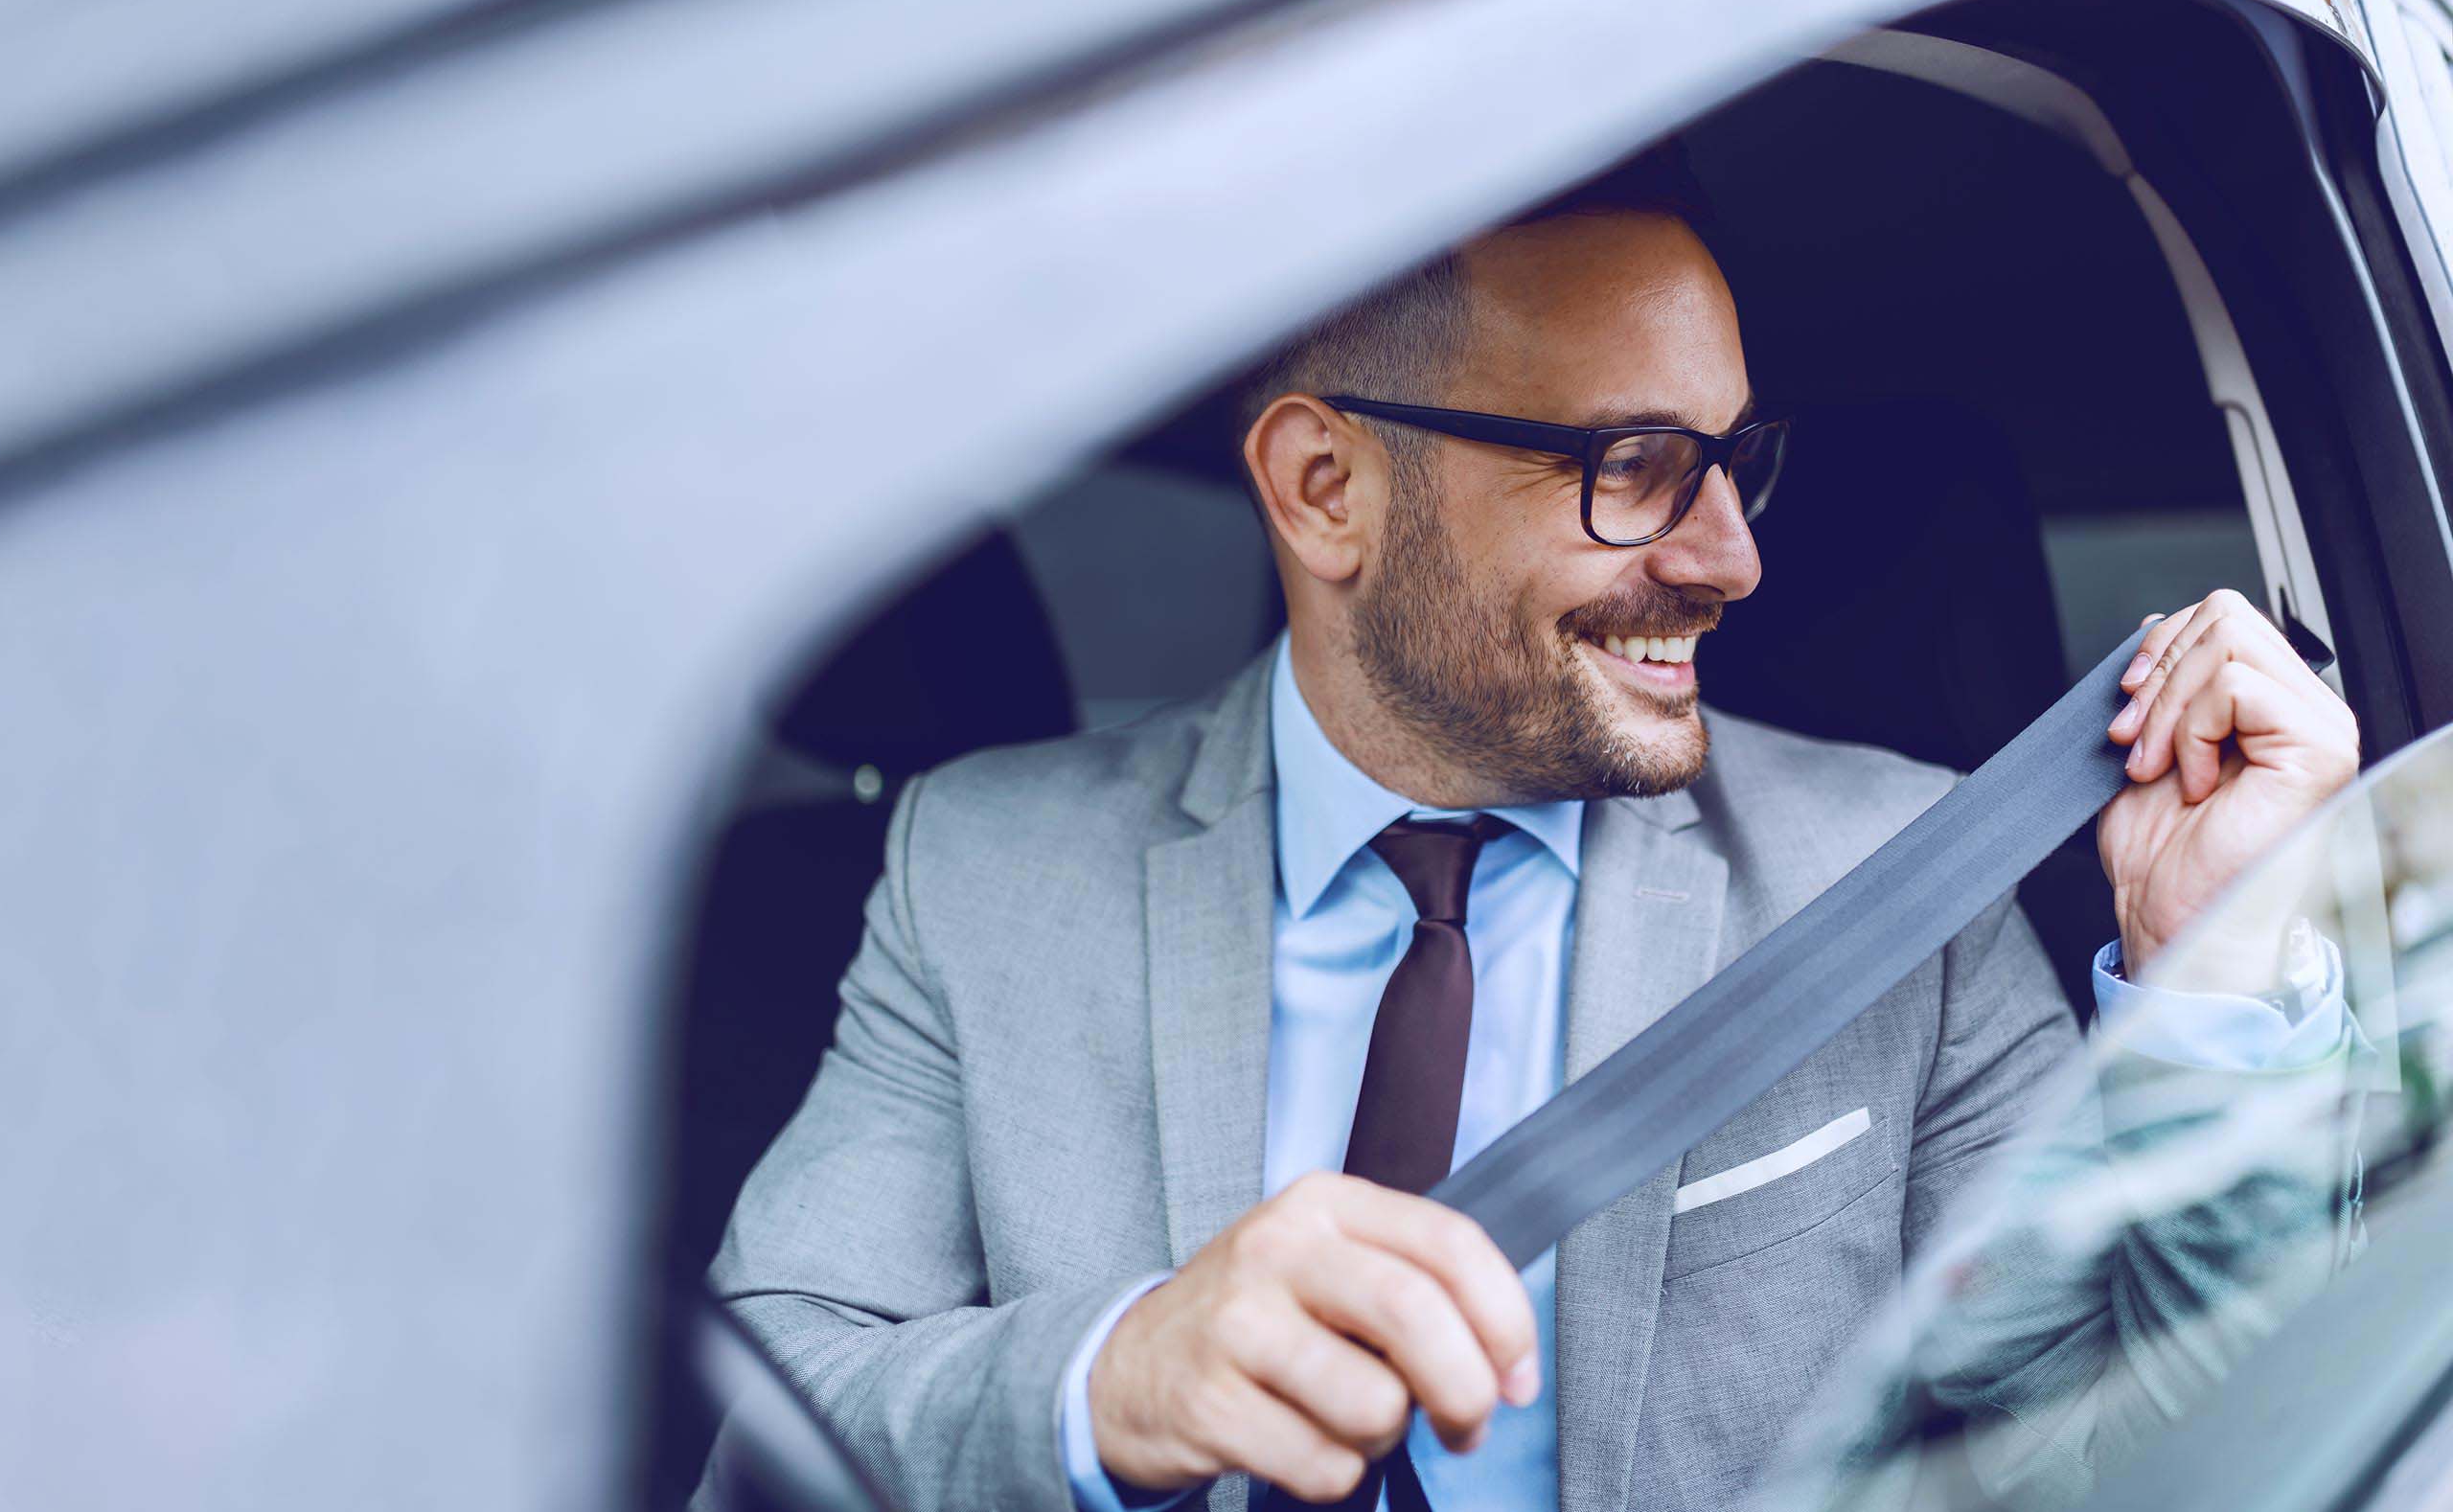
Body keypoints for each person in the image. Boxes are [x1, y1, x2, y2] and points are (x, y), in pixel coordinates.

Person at [699, 158, 2362, 1512]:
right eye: (1634, 466)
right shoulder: (979, 872)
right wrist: (1114, 1377)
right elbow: (777, 1409)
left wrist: (2219, 974)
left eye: (1737, 463)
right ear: (1326, 490)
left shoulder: (1898, 879)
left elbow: (2146, 1464)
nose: (1732, 560)